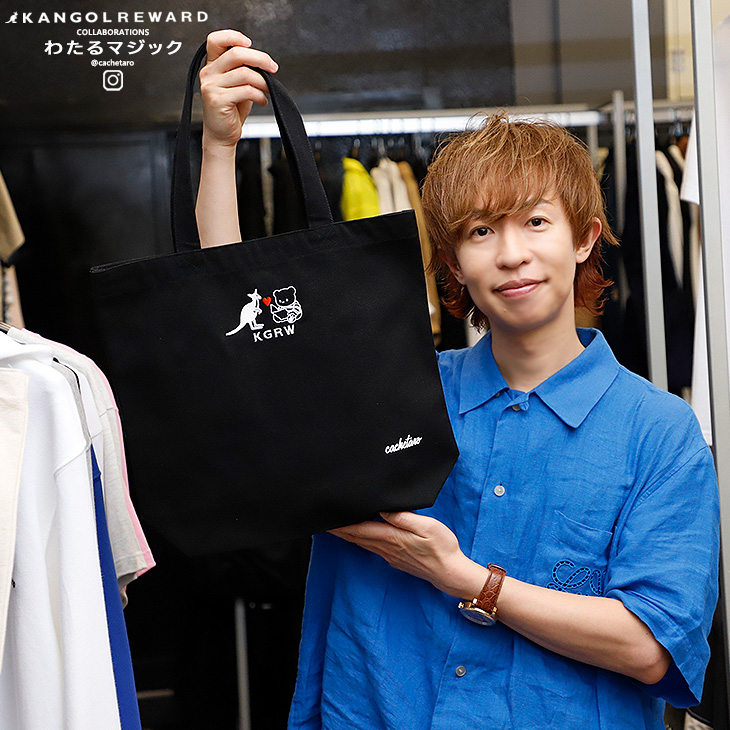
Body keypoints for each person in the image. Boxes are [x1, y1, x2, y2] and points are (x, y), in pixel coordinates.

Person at [196, 29, 720, 730]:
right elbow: (248, 346)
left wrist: (462, 577)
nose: (511, 254)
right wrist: (219, 148)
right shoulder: (391, 392)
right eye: (480, 231)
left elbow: (652, 649)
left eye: (536, 222)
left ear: (585, 238)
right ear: (452, 263)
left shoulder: (658, 433)